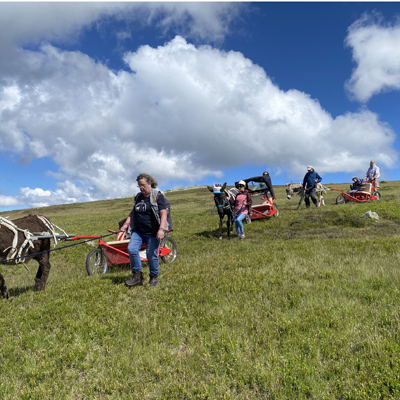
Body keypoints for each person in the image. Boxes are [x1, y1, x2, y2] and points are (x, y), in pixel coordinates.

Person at [121, 173, 168, 287]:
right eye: (139, 186)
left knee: (151, 254)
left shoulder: (157, 195)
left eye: (143, 185)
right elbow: (133, 212)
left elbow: (163, 213)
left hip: (152, 231)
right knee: (132, 250)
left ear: (149, 183)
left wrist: (161, 229)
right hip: (138, 231)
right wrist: (126, 224)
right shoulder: (138, 196)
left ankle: (153, 277)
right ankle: (137, 275)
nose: (141, 188)